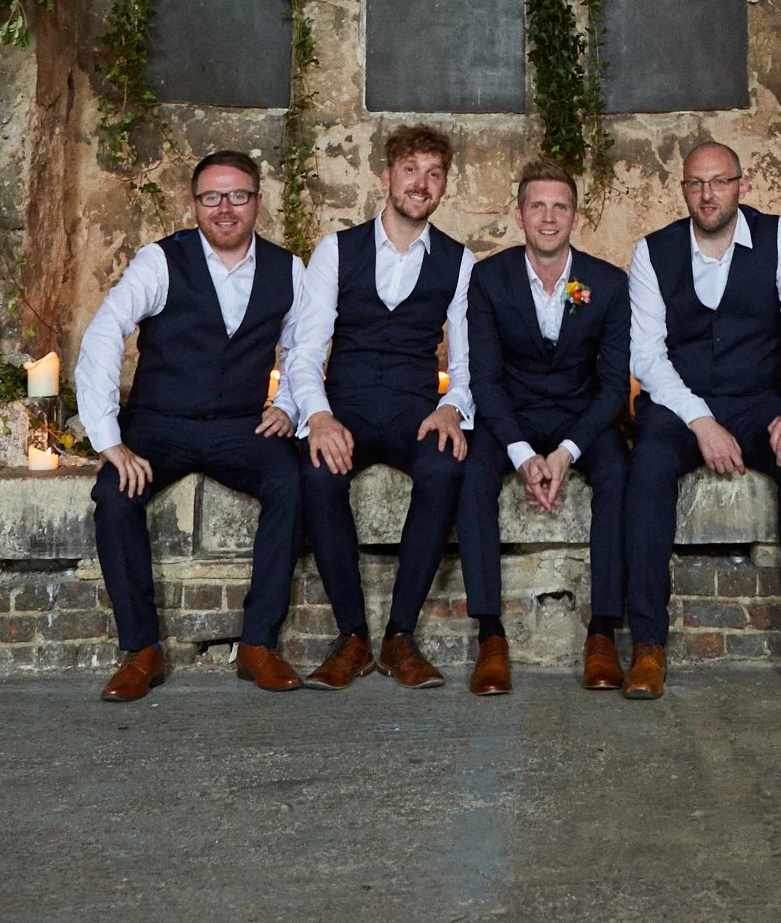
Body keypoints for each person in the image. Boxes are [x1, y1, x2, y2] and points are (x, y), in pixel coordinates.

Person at [75, 150, 304, 702]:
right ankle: (142, 650)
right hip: (160, 423)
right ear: (195, 203)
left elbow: (303, 347)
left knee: (294, 483)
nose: (225, 209)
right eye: (211, 197)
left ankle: (257, 644)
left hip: (239, 426)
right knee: (114, 496)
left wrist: (290, 405)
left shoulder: (287, 268)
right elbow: (106, 334)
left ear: (257, 201)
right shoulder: (160, 261)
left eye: (238, 196)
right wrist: (109, 440)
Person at [623, 140, 781, 701]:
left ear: (742, 185)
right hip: (680, 403)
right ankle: (647, 646)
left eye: (719, 182)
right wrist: (700, 420)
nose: (707, 193)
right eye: (696, 183)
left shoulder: (778, 237)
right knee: (645, 468)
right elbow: (647, 356)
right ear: (684, 190)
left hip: (759, 398)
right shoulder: (654, 251)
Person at [289, 125, 475, 690]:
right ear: (387, 176)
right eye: (411, 170)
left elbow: (467, 364)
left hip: (413, 409)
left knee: (445, 467)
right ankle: (351, 638)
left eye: (434, 173)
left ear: (444, 186)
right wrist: (318, 416)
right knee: (317, 475)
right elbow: (304, 349)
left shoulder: (459, 262)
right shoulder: (336, 250)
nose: (422, 183)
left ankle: (399, 636)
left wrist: (452, 408)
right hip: (343, 406)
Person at [457, 162, 631, 697]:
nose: (548, 217)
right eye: (538, 206)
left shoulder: (607, 283)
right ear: (519, 215)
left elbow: (612, 384)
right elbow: (483, 378)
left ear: (575, 216)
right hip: (510, 414)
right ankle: (490, 636)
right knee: (470, 476)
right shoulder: (489, 278)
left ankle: (602, 632)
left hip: (583, 416)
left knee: (621, 472)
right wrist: (519, 451)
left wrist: (566, 452)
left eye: (560, 207)